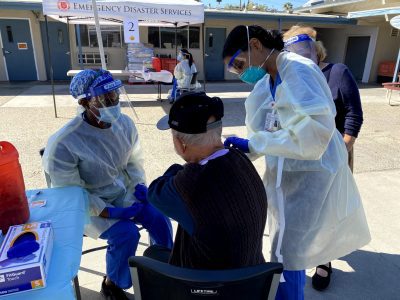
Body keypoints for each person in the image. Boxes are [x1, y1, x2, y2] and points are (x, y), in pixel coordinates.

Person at [222, 25, 370, 300]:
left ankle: (288, 296)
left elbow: (315, 134)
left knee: (290, 252)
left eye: (239, 64)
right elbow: (258, 133)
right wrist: (234, 152)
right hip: (283, 179)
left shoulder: (299, 70)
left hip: (313, 176)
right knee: (285, 249)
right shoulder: (264, 86)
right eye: (235, 71)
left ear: (255, 45)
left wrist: (255, 145)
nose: (242, 74)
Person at [42, 69, 173, 300]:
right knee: (126, 234)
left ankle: (161, 268)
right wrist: (107, 211)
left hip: (121, 190)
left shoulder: (124, 124)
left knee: (159, 217)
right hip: (86, 204)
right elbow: (71, 194)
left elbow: (133, 161)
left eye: (115, 95)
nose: (113, 103)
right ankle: (113, 283)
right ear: (84, 102)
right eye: (104, 98)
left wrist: (139, 186)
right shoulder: (64, 143)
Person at [145, 91, 268, 269]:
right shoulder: (240, 159)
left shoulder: (191, 182)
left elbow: (155, 192)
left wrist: (186, 167)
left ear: (180, 143)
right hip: (249, 276)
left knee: (151, 254)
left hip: (206, 285)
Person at [283, 25, 364, 291]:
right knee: (302, 211)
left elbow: (353, 115)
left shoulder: (337, 73)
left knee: (328, 211)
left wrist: (342, 150)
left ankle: (324, 261)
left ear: (316, 51)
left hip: (333, 157)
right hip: (300, 159)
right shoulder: (291, 77)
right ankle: (305, 252)